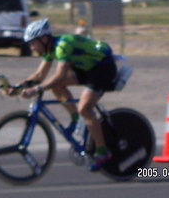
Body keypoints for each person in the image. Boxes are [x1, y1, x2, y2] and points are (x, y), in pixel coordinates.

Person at [7, 18, 117, 171]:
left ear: (44, 38)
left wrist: (37, 90)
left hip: (102, 66)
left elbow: (59, 75)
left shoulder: (63, 46)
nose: (31, 47)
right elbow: (39, 75)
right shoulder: (49, 49)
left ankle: (102, 152)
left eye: (33, 43)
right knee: (56, 86)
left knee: (85, 108)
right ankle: (76, 119)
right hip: (87, 67)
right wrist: (18, 87)